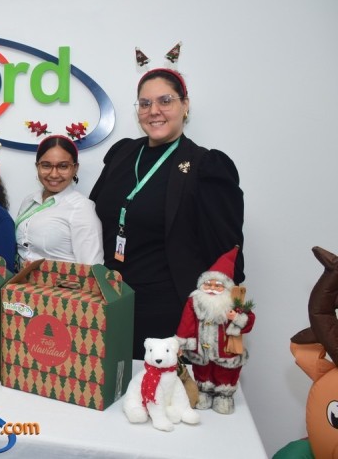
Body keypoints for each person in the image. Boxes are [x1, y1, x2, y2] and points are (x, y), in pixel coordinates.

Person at [89, 68, 244, 360]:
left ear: (185, 106)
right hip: (109, 300)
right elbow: (94, 215)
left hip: (166, 309)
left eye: (165, 101)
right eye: (145, 103)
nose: (154, 111)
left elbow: (226, 251)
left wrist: (219, 308)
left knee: (157, 386)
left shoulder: (205, 166)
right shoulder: (122, 154)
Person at [176, 247, 254, 415]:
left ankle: (224, 396)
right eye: (208, 284)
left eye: (217, 286)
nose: (211, 288)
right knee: (202, 371)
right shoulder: (194, 301)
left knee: (224, 373)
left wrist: (236, 318)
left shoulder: (233, 302)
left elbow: (248, 321)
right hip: (201, 349)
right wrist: (181, 343)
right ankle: (203, 392)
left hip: (224, 350)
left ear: (226, 287)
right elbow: (186, 323)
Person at [15, 134, 104, 268]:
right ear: (37, 166)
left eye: (63, 166)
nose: (54, 174)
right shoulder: (29, 201)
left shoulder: (81, 208)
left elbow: (92, 267)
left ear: (75, 168)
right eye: (46, 166)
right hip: (22, 280)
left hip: (61, 282)